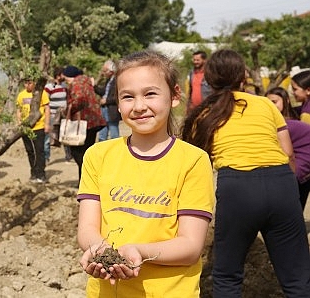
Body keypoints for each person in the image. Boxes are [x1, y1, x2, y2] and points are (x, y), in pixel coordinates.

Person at [77, 50, 214, 297]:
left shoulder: (193, 161)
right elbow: (87, 227)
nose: (139, 106)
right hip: (107, 291)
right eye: (128, 97)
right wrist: (98, 249)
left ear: (174, 95)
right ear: (117, 103)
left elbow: (191, 246)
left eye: (150, 94)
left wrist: (139, 252)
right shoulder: (97, 156)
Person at [182, 49, 310, 297]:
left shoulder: (203, 115)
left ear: (208, 80)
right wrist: (289, 193)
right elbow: (288, 152)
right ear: (243, 77)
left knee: (227, 276)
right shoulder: (264, 103)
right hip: (281, 181)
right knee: (298, 278)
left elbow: (196, 164)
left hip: (237, 189)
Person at [266, 86, 310, 209]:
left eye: (274, 102)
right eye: (268, 103)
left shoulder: (287, 124)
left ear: (286, 101)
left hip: (299, 170)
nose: (271, 106)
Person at [62, 65, 106, 184]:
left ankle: (86, 181)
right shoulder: (86, 82)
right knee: (87, 152)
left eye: (66, 78)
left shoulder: (76, 83)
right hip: (94, 121)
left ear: (71, 76)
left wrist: (68, 108)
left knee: (78, 153)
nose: (65, 81)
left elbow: (79, 99)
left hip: (84, 123)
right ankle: (87, 181)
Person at [16, 78, 50, 183]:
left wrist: (47, 124)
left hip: (39, 126)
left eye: (29, 83)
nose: (27, 85)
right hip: (26, 128)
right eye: (25, 83)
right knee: (30, 151)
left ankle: (41, 174)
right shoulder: (21, 95)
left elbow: (47, 108)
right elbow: (18, 110)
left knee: (39, 151)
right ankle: (34, 173)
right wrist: (19, 122)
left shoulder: (42, 93)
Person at [44, 67, 72, 164]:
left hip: (63, 114)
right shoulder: (49, 87)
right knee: (49, 137)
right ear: (58, 75)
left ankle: (69, 157)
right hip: (52, 115)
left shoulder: (65, 86)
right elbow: (45, 101)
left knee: (65, 135)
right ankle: (46, 158)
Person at [94, 60, 121, 142]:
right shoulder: (108, 80)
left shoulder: (117, 80)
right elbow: (102, 92)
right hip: (104, 109)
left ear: (111, 71)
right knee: (102, 134)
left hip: (111, 110)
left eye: (105, 71)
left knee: (114, 134)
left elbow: (118, 96)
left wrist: (107, 101)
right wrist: (96, 83)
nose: (104, 73)